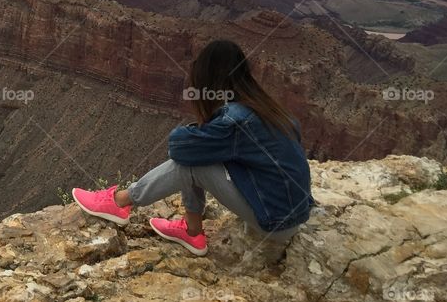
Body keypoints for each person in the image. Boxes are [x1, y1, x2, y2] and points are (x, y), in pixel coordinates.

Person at [72, 40, 313, 256]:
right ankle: (192, 231)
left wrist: (199, 129)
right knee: (199, 157)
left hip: (275, 222)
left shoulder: (236, 120)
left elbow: (179, 148)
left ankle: (120, 202)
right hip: (292, 213)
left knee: (190, 164)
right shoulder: (269, 109)